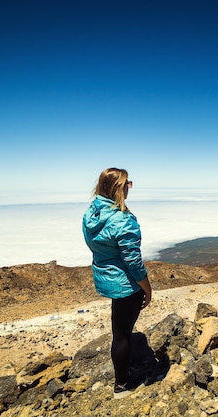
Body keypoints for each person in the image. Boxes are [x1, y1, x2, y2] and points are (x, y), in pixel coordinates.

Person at [82, 167, 152, 399]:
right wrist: (147, 289)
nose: (129, 187)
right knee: (121, 335)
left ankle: (124, 372)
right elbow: (133, 262)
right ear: (118, 188)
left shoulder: (91, 214)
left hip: (107, 279)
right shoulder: (122, 220)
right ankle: (122, 385)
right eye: (127, 184)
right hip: (126, 285)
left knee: (120, 330)